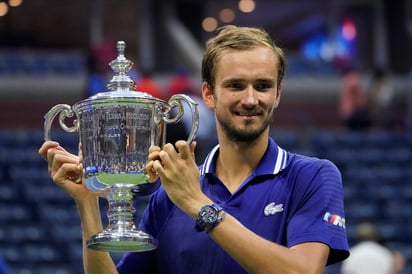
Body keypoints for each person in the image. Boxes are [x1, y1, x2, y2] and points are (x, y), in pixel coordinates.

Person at [39, 25, 349, 274]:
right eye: (236, 85)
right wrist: (87, 205)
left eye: (263, 86)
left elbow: (303, 270)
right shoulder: (171, 195)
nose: (251, 99)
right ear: (208, 94)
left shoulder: (312, 176)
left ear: (278, 94)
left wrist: (200, 206)